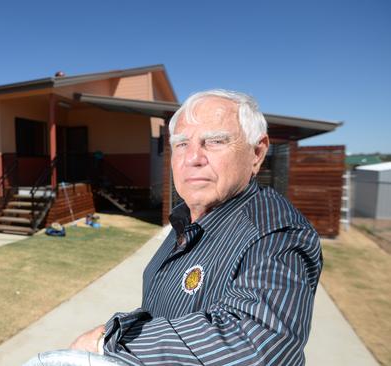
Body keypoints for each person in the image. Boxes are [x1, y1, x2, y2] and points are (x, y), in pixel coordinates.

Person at [70, 89, 322, 365]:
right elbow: (163, 310)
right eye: (181, 144)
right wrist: (124, 331)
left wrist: (110, 346)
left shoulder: (276, 232)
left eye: (214, 141)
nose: (192, 158)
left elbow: (257, 342)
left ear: (257, 153)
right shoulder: (186, 220)